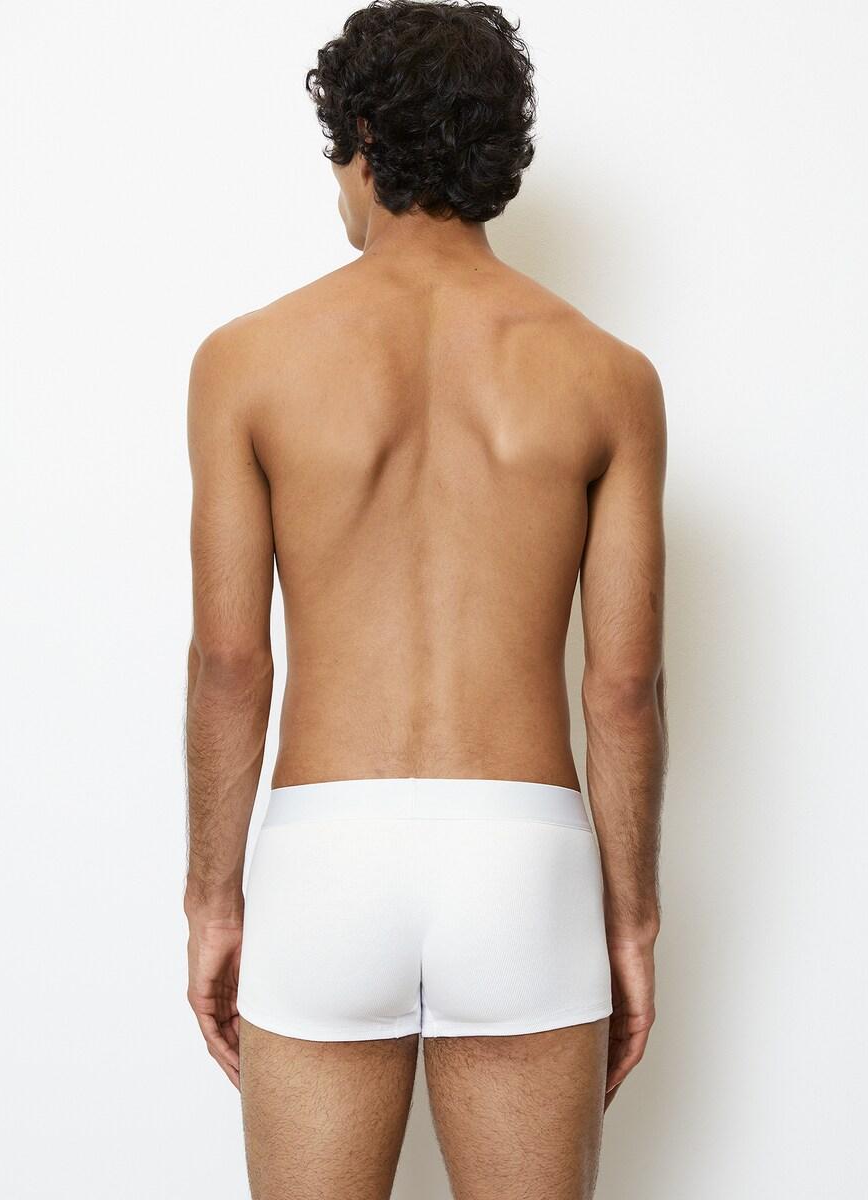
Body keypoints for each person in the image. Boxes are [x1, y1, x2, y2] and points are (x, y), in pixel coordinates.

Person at [183, 2, 667, 1196]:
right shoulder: (609, 377)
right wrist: (630, 921)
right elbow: (623, 687)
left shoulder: (246, 362)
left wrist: (212, 899)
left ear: (361, 139)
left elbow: (232, 664)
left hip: (325, 855)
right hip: (524, 862)